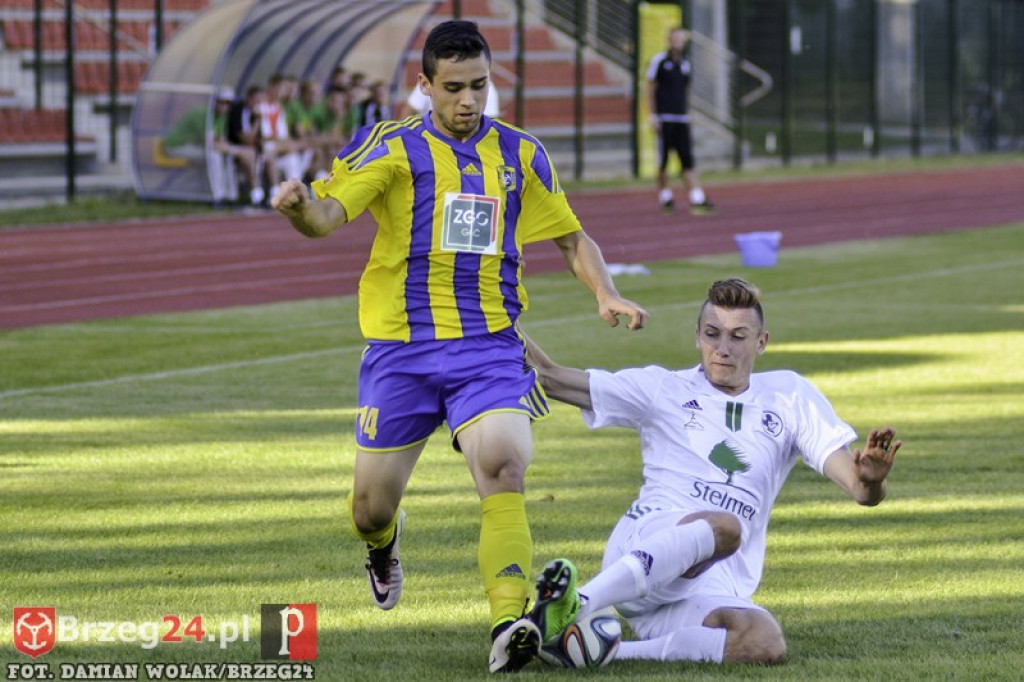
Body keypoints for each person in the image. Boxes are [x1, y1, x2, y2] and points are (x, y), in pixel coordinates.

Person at [271, 20, 649, 674]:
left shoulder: (522, 153)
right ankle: (384, 547)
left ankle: (510, 621)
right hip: (402, 353)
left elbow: (569, 237)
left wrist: (604, 292)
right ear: (425, 86)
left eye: (479, 85)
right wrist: (300, 208)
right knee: (369, 510)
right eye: (452, 88)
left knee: (504, 464)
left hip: (490, 347)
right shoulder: (390, 146)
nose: (468, 100)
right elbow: (328, 218)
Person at [524, 277, 900, 666]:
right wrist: (489, 314)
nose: (722, 349)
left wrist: (871, 480)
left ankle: (595, 653)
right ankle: (580, 602)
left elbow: (860, 491)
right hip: (645, 541)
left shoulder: (790, 396)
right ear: (697, 337)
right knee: (725, 526)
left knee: (763, 641)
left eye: (738, 336)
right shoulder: (663, 388)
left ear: (762, 342)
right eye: (712, 334)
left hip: (705, 583)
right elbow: (549, 376)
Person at [648, 27, 715, 215]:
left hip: (681, 119)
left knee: (687, 159)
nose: (679, 42)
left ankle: (697, 198)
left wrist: (688, 113)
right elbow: (651, 88)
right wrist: (653, 115)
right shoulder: (659, 61)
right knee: (663, 162)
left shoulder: (686, 63)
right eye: (676, 38)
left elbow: (685, 90)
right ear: (669, 40)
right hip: (665, 118)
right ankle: (666, 198)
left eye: (682, 39)